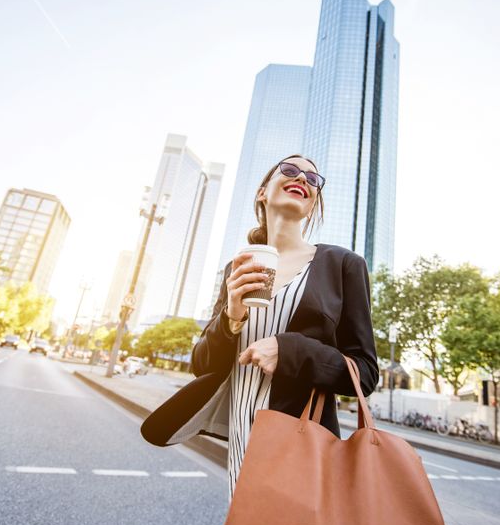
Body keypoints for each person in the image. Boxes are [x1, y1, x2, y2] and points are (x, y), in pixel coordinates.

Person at [140, 155, 379, 500]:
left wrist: (291, 350)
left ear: (312, 205)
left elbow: (366, 373)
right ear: (262, 192)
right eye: (291, 170)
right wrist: (231, 317)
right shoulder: (238, 268)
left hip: (300, 441)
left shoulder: (342, 266)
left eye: (314, 178)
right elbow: (202, 365)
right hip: (241, 436)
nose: (304, 178)